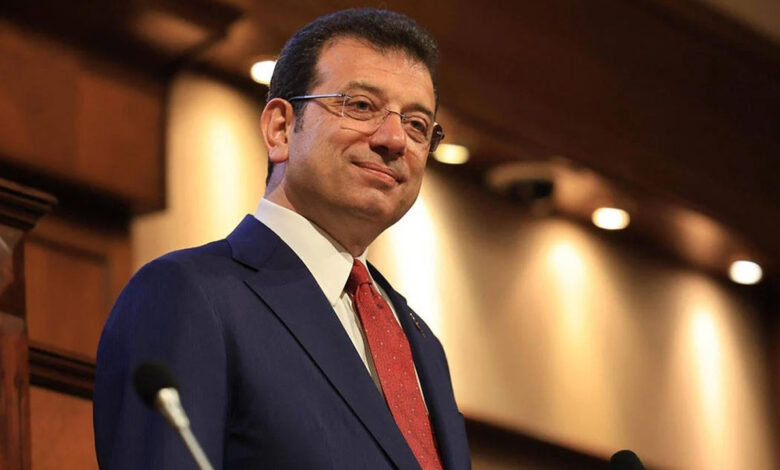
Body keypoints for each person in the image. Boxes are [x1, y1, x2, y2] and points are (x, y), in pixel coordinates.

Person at [93, 8, 470, 470]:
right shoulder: (187, 293)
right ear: (280, 128)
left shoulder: (421, 342)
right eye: (361, 106)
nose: (394, 139)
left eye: (416, 125)